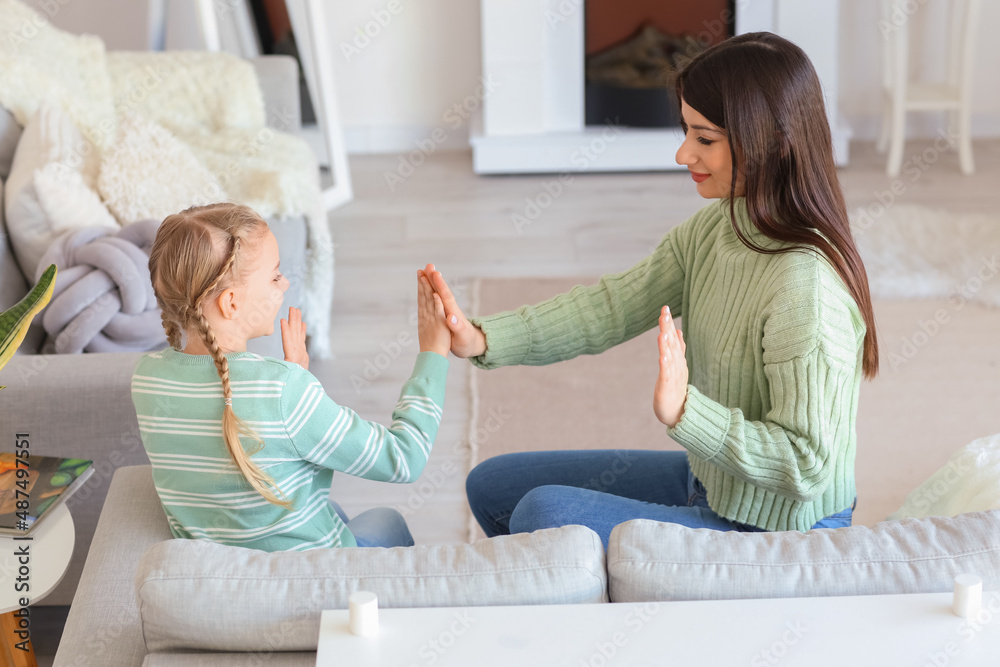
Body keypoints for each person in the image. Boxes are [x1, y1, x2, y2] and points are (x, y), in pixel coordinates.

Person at [424, 32, 879, 548]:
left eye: (705, 139)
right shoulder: (717, 230)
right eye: (686, 131)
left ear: (774, 142)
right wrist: (484, 338)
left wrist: (687, 411)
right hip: (714, 481)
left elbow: (806, 465)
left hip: (782, 530)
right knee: (493, 485)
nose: (683, 152)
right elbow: (611, 305)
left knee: (541, 514)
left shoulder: (807, 290)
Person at [132, 202, 451, 550]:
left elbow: (240, 428)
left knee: (334, 509)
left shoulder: (146, 380)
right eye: (273, 275)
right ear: (232, 303)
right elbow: (405, 459)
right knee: (386, 520)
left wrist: (291, 379)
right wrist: (433, 353)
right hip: (312, 580)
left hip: (222, 579)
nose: (284, 284)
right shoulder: (284, 391)